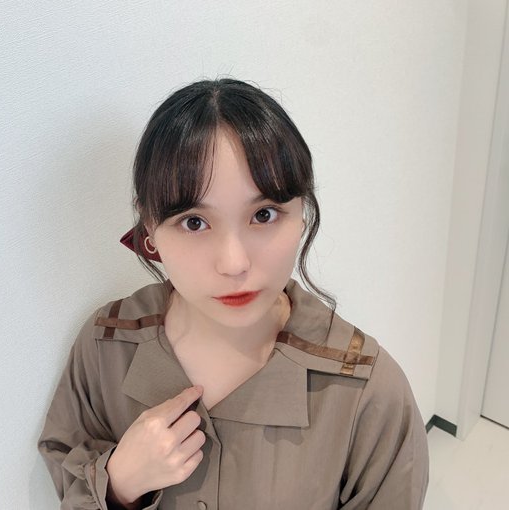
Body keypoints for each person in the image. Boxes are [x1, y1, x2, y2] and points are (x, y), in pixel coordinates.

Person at [38, 78, 429, 509]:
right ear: (149, 228)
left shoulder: (369, 393)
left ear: (302, 214)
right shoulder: (105, 346)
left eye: (264, 215)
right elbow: (65, 466)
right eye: (194, 222)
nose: (234, 263)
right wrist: (119, 484)